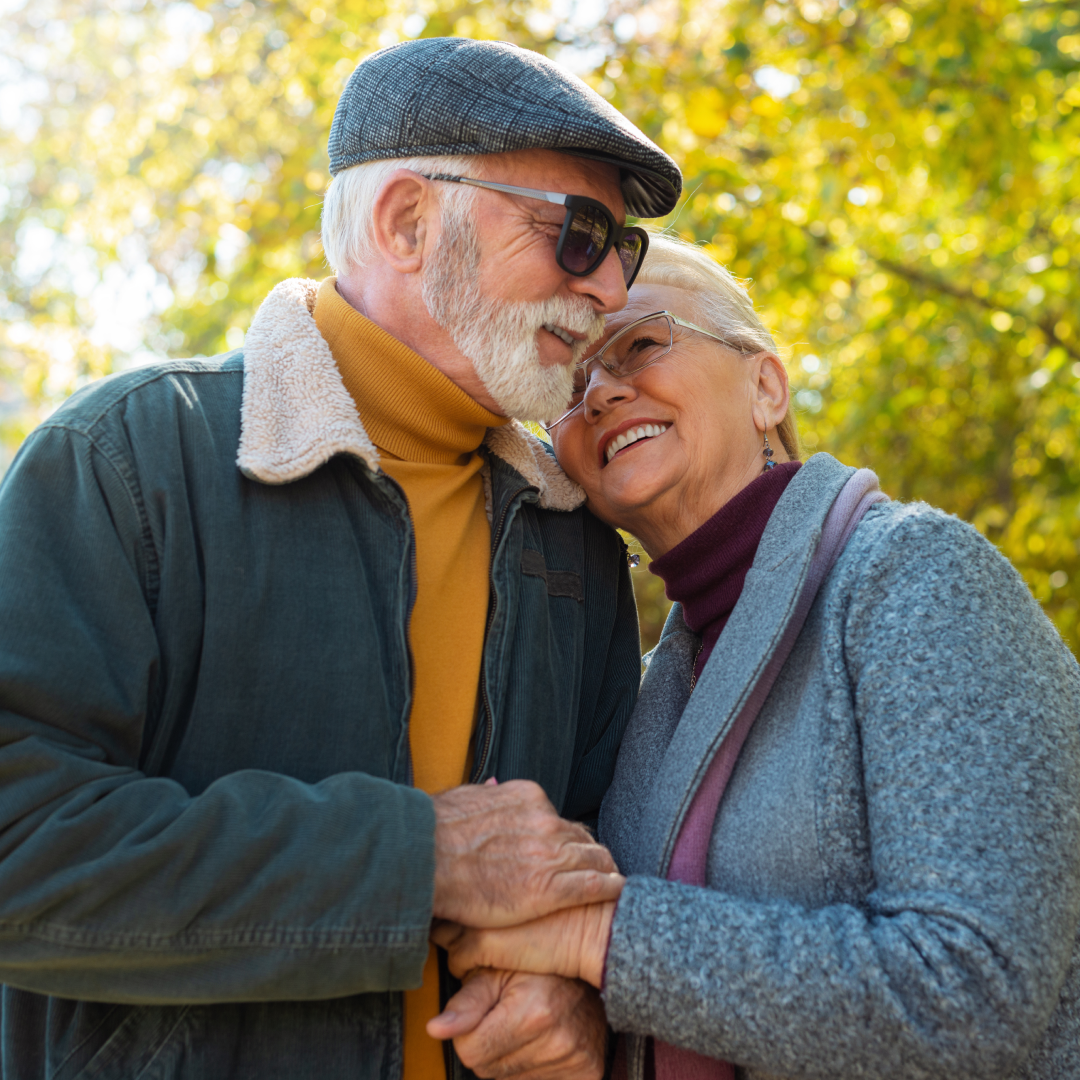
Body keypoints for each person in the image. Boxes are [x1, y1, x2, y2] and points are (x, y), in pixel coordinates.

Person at [0, 38, 683, 1080]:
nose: (607, 288)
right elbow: (19, 845)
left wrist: (577, 993)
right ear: (407, 222)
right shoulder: (126, 459)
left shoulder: (574, 540)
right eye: (578, 235)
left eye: (622, 251)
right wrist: (418, 859)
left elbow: (600, 858)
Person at [434, 233, 1080, 1079]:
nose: (600, 393)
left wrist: (598, 935)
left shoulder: (916, 576)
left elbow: (974, 992)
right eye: (571, 381)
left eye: (641, 344)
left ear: (767, 387)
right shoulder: (656, 687)